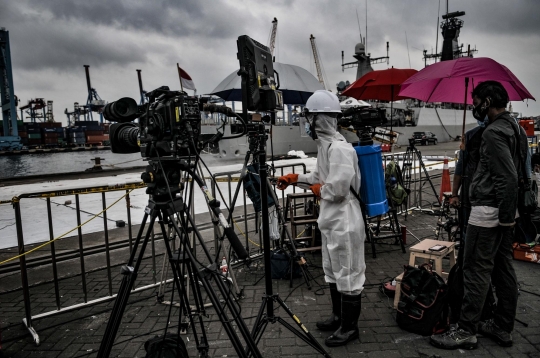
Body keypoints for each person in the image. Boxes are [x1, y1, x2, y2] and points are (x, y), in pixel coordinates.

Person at [431, 81, 528, 350]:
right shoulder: (516, 129)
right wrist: (510, 217)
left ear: (487, 101)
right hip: (505, 212)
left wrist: (505, 217)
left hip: (488, 212)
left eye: (475, 101)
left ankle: (466, 330)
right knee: (503, 268)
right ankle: (501, 326)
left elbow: (507, 179)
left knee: (475, 268)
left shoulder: (493, 133)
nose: (473, 107)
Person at [276, 90, 365, 347]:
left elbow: (336, 190)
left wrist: (319, 189)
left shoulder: (340, 149)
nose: (306, 123)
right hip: (331, 219)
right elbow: (319, 178)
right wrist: (296, 178)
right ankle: (338, 316)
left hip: (345, 219)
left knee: (348, 272)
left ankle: (350, 328)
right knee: (333, 270)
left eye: (309, 118)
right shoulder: (325, 147)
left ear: (319, 119)